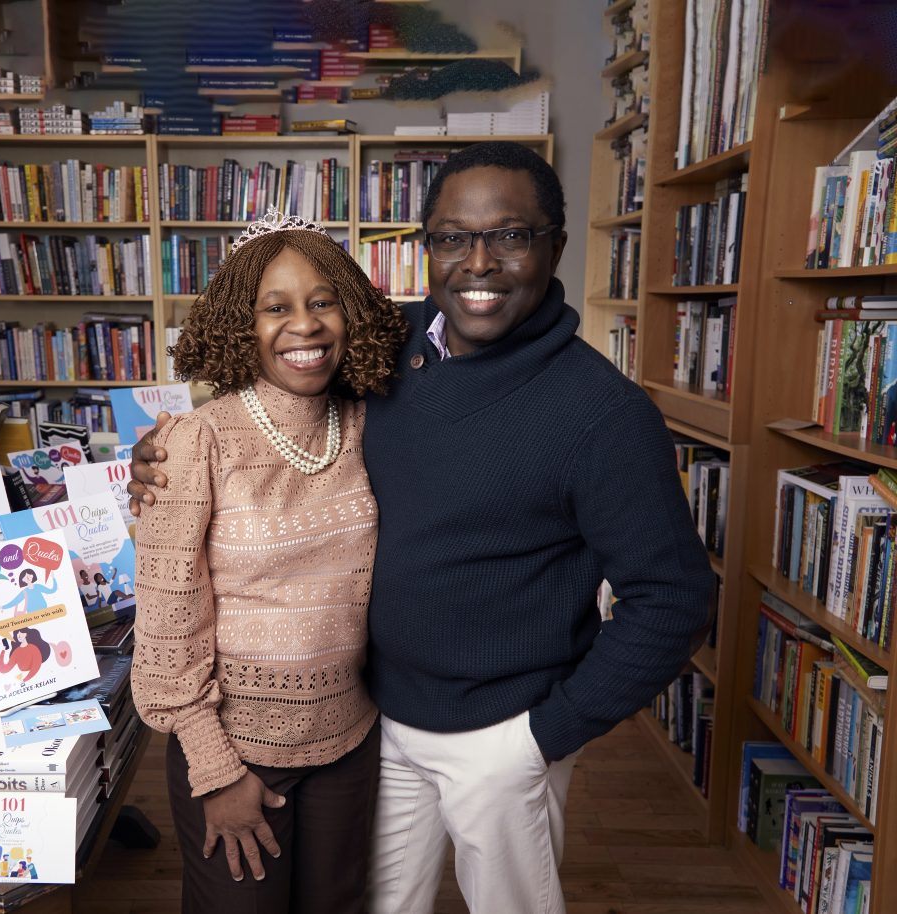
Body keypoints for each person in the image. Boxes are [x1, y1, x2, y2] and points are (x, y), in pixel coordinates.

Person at [128, 143, 714, 914]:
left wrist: (548, 734)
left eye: (510, 235)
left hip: (502, 735)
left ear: (555, 247)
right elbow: (275, 365)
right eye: (451, 237)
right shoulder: (386, 350)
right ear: (425, 248)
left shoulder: (604, 414)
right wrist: (162, 459)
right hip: (379, 722)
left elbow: (673, 599)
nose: (479, 263)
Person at [130, 209, 408, 914]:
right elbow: (168, 624)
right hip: (234, 748)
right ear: (238, 324)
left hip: (350, 737)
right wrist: (217, 769)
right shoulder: (195, 441)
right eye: (274, 308)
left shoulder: (374, 420)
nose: (305, 326)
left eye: (322, 303)